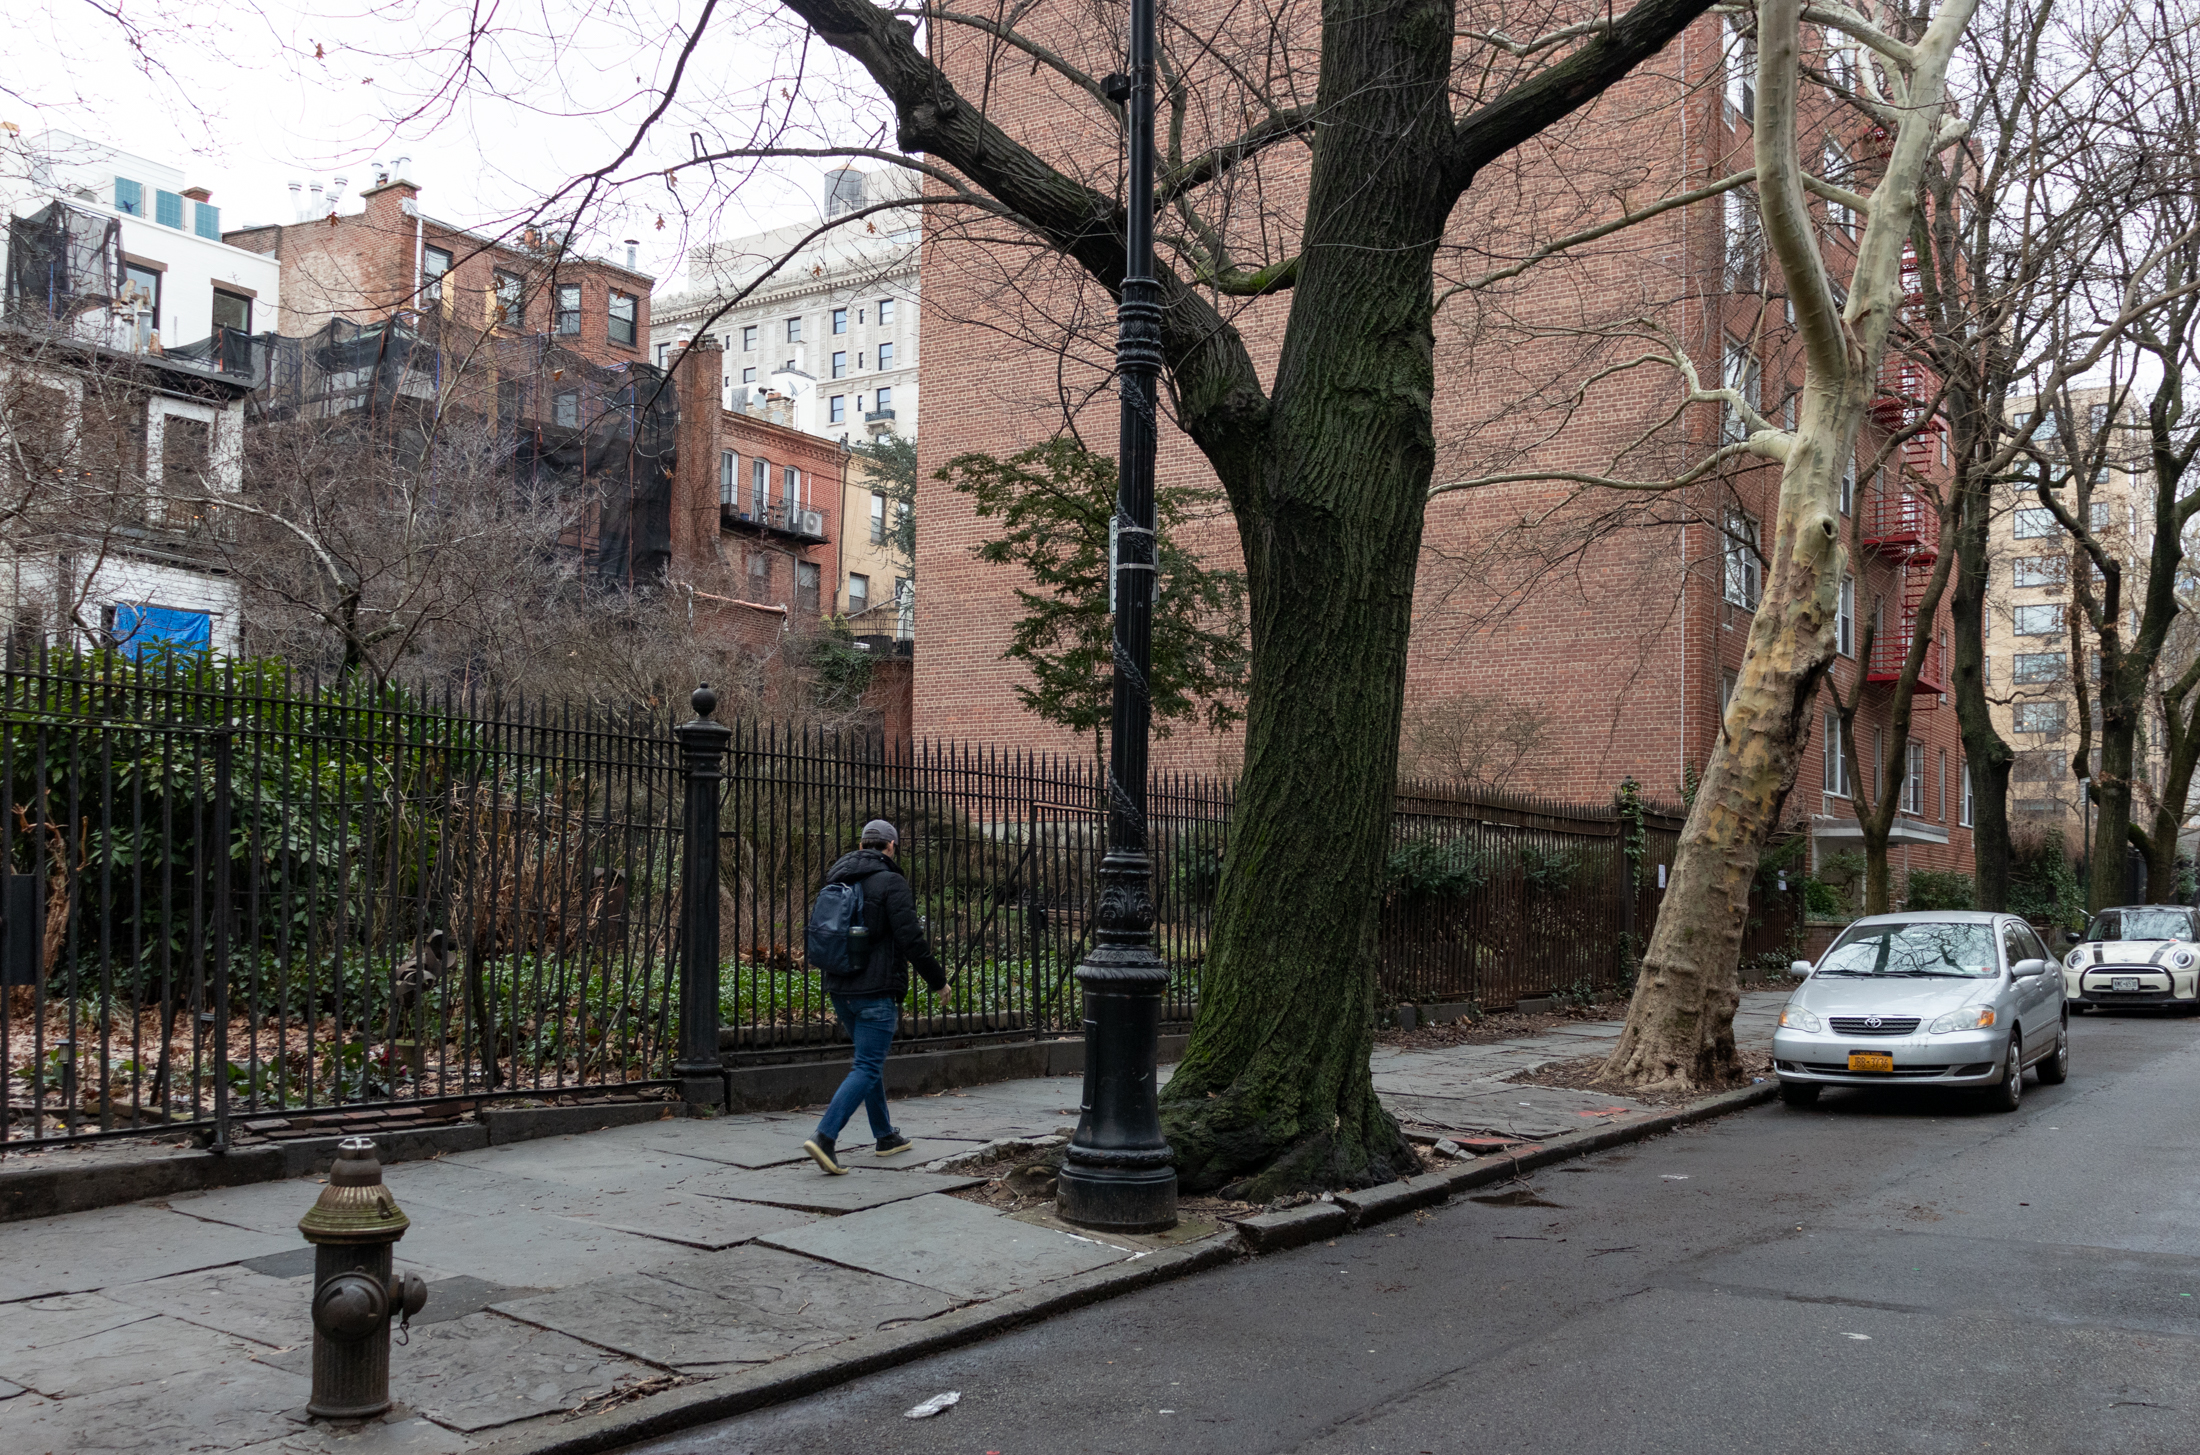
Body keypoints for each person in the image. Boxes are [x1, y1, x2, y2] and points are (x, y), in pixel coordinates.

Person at [804, 819, 949, 1174]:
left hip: (840, 989)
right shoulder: (891, 882)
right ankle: (825, 1136)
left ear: (861, 845)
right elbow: (911, 940)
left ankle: (885, 1136)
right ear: (891, 846)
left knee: (869, 1063)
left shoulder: (837, 879)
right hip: (875, 990)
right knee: (867, 1065)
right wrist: (938, 982)